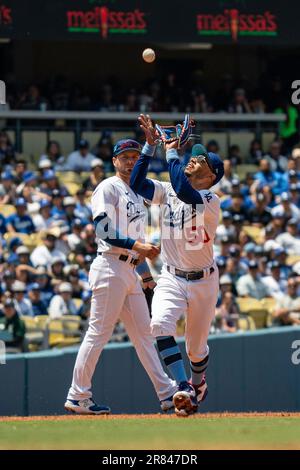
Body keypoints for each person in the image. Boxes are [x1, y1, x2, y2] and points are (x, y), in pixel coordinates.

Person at [65, 136, 177, 415]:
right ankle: (78, 395)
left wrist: (146, 275)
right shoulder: (108, 186)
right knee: (98, 333)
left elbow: (135, 243)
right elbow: (102, 230)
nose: (130, 160)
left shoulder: (139, 194)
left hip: (130, 270)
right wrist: (137, 247)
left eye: (134, 156)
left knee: (144, 335)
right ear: (114, 161)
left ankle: (166, 394)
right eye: (124, 156)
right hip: (110, 267)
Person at [130, 114, 224, 417]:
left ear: (211, 176)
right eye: (194, 158)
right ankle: (183, 386)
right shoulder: (169, 188)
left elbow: (184, 191)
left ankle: (198, 382)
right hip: (171, 275)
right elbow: (137, 183)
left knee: (196, 348)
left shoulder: (210, 198)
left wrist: (170, 151)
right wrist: (149, 147)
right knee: (158, 325)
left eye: (201, 161)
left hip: (204, 281)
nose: (194, 160)